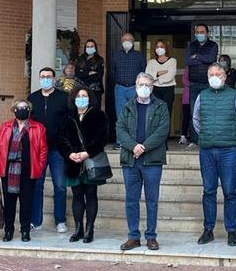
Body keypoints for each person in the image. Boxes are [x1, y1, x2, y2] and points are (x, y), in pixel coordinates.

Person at [193, 63, 236, 246]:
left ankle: (231, 231)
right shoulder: (202, 96)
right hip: (207, 150)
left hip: (228, 151)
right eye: (211, 74)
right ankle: (208, 229)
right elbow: (196, 120)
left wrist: (232, 136)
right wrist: (207, 135)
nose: (215, 76)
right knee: (208, 191)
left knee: (229, 192)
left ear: (225, 76)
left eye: (218, 73)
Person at [115, 73, 170, 251]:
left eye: (147, 85)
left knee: (151, 200)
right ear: (136, 86)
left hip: (152, 160)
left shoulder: (161, 106)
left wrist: (143, 147)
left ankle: (151, 236)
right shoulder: (127, 107)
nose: (144, 88)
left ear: (152, 87)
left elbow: (162, 131)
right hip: (131, 160)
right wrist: (133, 147)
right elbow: (120, 130)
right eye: (141, 84)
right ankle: (133, 236)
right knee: (132, 200)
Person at [57, 87, 109, 243]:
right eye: (78, 96)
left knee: (91, 194)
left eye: (84, 96)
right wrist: (69, 153)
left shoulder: (98, 115)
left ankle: (89, 229)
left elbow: (102, 138)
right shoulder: (68, 117)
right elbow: (61, 138)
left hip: (90, 162)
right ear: (73, 99)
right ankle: (78, 228)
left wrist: (87, 152)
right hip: (73, 163)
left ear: (90, 98)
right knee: (77, 195)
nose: (81, 98)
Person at [0, 99, 47, 243]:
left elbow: (43, 150)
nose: (22, 109)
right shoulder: (5, 126)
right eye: (19, 107)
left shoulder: (38, 127)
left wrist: (39, 167)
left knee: (26, 202)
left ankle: (25, 231)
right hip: (8, 170)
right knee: (9, 202)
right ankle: (8, 230)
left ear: (29, 110)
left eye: (25, 107)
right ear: (14, 109)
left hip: (28, 170)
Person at [28, 67, 71, 232]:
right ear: (39, 79)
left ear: (54, 79)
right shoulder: (33, 98)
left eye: (48, 77)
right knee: (37, 185)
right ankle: (35, 221)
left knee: (60, 185)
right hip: (38, 149)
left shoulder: (63, 98)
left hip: (58, 149)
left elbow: (69, 120)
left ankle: (60, 220)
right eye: (43, 77)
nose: (45, 79)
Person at [110, 32, 146, 149]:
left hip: (134, 89)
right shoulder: (116, 55)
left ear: (133, 42)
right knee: (120, 116)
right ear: (121, 42)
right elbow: (112, 72)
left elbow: (143, 72)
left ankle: (134, 142)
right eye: (124, 39)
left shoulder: (139, 55)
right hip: (120, 88)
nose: (127, 41)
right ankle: (120, 142)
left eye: (129, 39)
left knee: (135, 114)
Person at [185, 23, 219, 147]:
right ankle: (194, 140)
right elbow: (188, 61)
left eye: (202, 32)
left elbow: (211, 58)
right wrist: (201, 59)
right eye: (197, 32)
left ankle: (207, 139)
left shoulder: (213, 45)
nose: (199, 34)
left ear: (207, 33)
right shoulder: (191, 45)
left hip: (208, 84)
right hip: (194, 83)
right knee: (194, 112)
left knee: (208, 112)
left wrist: (197, 56)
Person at [145, 39, 177, 122]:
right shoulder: (151, 62)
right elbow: (147, 75)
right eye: (157, 47)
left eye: (161, 46)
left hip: (168, 90)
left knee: (166, 114)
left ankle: (165, 135)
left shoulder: (172, 61)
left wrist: (156, 78)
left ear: (166, 48)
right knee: (155, 114)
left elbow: (170, 76)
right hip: (155, 90)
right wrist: (159, 73)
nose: (159, 48)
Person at [76, 39, 105, 108]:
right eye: (87, 46)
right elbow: (78, 74)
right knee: (82, 110)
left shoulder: (99, 59)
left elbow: (98, 76)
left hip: (95, 91)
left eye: (92, 46)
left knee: (94, 112)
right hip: (82, 90)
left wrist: (83, 73)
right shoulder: (80, 59)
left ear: (95, 48)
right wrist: (89, 73)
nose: (89, 48)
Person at [179, 67, 192, 147]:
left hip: (198, 96)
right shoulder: (188, 68)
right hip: (187, 97)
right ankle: (183, 136)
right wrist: (193, 84)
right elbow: (184, 80)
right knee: (186, 117)